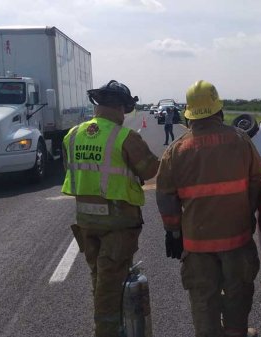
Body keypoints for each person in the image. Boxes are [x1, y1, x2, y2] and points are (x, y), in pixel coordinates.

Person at [156, 80, 261, 337]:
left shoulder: (176, 151)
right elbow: (257, 180)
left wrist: (173, 231)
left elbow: (165, 196)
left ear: (189, 114)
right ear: (219, 110)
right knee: (237, 294)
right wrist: (246, 211)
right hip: (237, 238)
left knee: (203, 300)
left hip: (197, 244)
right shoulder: (241, 141)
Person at [61, 80, 159, 337]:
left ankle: (113, 327)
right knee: (110, 287)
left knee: (100, 281)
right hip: (118, 223)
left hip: (86, 222)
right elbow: (150, 170)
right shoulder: (125, 137)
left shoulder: (72, 135)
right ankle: (106, 331)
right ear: (119, 107)